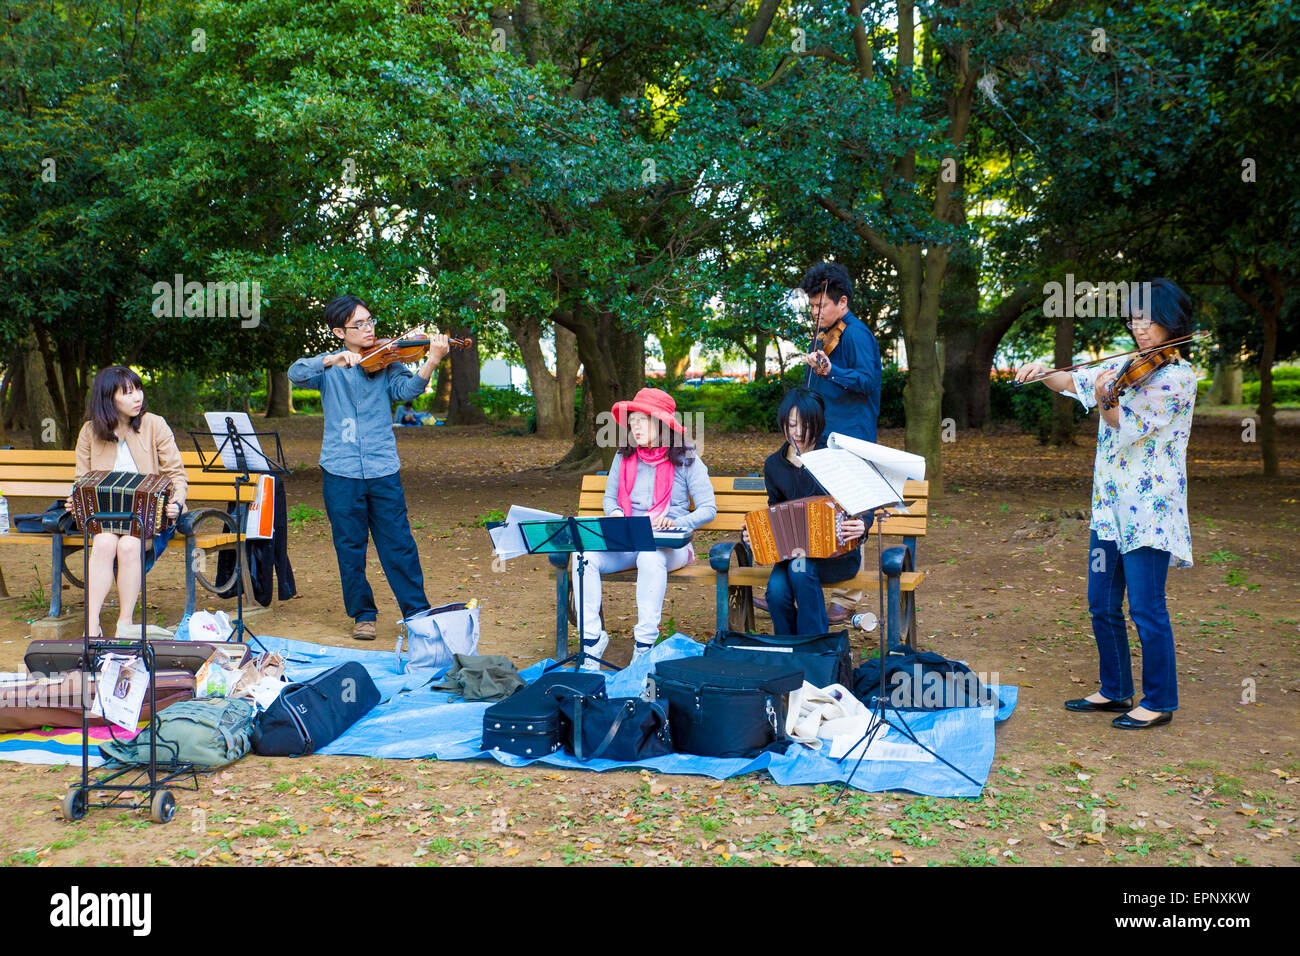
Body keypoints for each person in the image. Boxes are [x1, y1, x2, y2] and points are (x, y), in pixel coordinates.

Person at [1014, 278, 1196, 730]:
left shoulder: (1177, 378)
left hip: (1150, 511)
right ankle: (1115, 689)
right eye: (1132, 317)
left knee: (1147, 608)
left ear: (1170, 319)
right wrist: (1042, 372)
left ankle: (1159, 700)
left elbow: (1120, 420)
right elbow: (1070, 380)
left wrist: (1102, 395)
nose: (1138, 325)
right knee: (1101, 603)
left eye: (1146, 317)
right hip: (1110, 507)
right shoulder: (1130, 364)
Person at [288, 295, 450, 641]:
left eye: (370, 321)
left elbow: (407, 390)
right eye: (358, 325)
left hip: (382, 468)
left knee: (399, 544)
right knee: (350, 547)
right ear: (338, 332)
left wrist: (432, 360)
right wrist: (332, 359)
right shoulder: (327, 369)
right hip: (340, 470)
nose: (368, 329)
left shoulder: (388, 360)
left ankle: (417, 613)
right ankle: (363, 613)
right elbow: (295, 373)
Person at [574, 388, 717, 671]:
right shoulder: (624, 456)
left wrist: (677, 522)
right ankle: (591, 642)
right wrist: (615, 513)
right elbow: (610, 498)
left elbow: (707, 509)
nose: (634, 426)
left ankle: (644, 646)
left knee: (649, 557)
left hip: (667, 545)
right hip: (628, 537)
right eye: (632, 420)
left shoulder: (686, 457)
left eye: (642, 420)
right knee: (583, 557)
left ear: (662, 424)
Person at [67, 366, 186, 639]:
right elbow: (82, 480)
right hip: (105, 520)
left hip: (150, 518)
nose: (137, 397)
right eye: (128, 392)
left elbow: (176, 475)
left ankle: (125, 624)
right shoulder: (90, 432)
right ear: (109, 399)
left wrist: (176, 504)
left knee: (130, 544)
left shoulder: (155, 424)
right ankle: (91, 625)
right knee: (105, 542)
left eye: (138, 389)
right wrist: (74, 500)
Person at [798, 261, 882, 622]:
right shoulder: (826, 334)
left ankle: (847, 600)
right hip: (824, 437)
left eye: (820, 306)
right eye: (812, 306)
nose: (815, 312)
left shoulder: (858, 335)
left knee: (851, 510)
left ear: (842, 302)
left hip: (852, 439)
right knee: (818, 509)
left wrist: (831, 370)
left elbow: (868, 381)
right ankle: (806, 584)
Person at [744, 389, 867, 635]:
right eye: (791, 425)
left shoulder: (835, 457)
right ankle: (789, 651)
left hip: (836, 556)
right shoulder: (774, 465)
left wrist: (863, 523)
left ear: (819, 425)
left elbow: (863, 502)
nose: (797, 433)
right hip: (791, 555)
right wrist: (751, 536)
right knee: (776, 591)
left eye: (805, 426)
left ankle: (816, 650)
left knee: (800, 572)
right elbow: (773, 514)